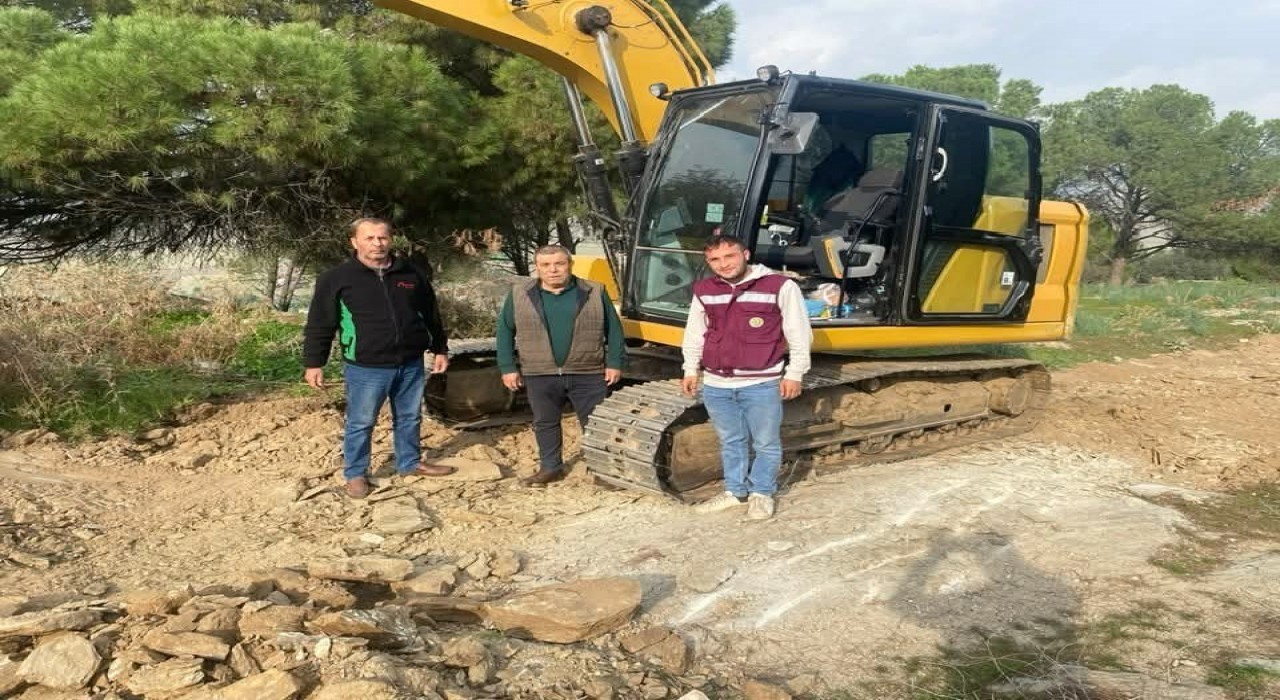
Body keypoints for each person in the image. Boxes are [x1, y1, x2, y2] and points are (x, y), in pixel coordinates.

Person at [302, 218, 456, 499]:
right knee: (361, 422)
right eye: (370, 238)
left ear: (391, 240)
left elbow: (431, 314)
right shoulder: (337, 278)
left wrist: (439, 348)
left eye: (383, 238)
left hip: (409, 362)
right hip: (366, 367)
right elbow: (320, 323)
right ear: (354, 242)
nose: (377, 243)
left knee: (409, 417)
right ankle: (356, 474)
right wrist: (314, 362)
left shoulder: (410, 274)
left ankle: (410, 463)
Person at [680, 235, 812, 520]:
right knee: (731, 441)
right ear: (708, 262)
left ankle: (762, 493)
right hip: (716, 383)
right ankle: (736, 492)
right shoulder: (704, 290)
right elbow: (695, 332)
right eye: (715, 260)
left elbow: (799, 333)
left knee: (765, 442)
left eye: (730, 256)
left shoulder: (780, 286)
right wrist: (690, 368)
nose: (724, 264)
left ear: (746, 254)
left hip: (761, 382)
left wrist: (795, 373)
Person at [496, 245, 625, 486]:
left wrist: (615, 362)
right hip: (539, 372)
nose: (553, 270)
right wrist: (507, 367)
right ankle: (551, 467)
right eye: (545, 265)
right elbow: (504, 330)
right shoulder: (519, 294)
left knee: (595, 422)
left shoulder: (594, 291)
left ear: (570, 265)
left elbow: (614, 329)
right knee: (545, 422)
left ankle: (601, 469)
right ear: (537, 268)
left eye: (559, 264)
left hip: (587, 370)